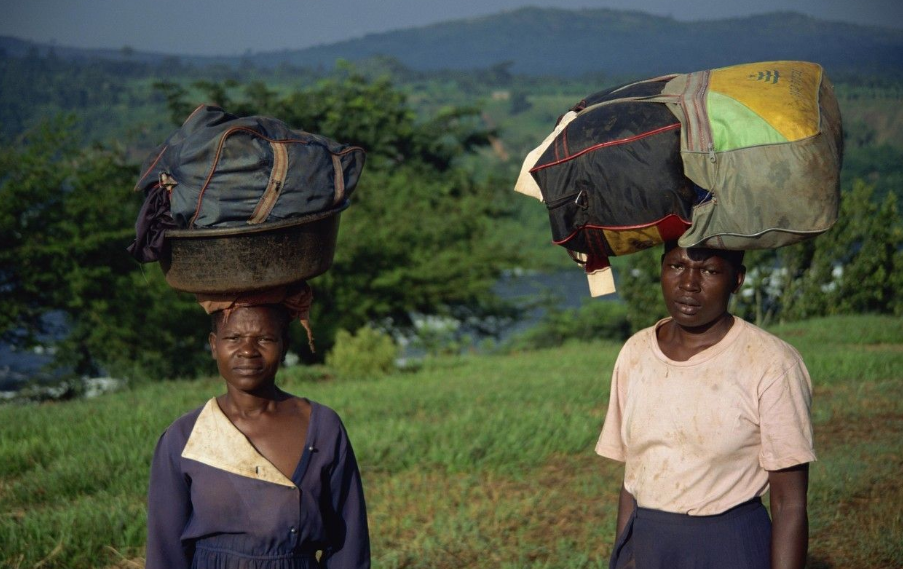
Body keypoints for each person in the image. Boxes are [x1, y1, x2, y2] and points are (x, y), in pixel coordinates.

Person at [596, 242, 815, 569]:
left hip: (729, 543)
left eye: (710, 271)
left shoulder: (771, 363)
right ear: (661, 268)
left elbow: (789, 503)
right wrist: (626, 555)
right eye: (676, 266)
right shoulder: (636, 353)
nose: (688, 284)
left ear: (737, 280)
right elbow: (635, 476)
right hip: (649, 541)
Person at [146, 285, 370, 569]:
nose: (248, 351)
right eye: (233, 338)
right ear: (214, 345)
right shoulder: (185, 437)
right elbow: (165, 553)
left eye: (264, 338)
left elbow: (348, 545)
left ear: (284, 345)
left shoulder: (323, 426)